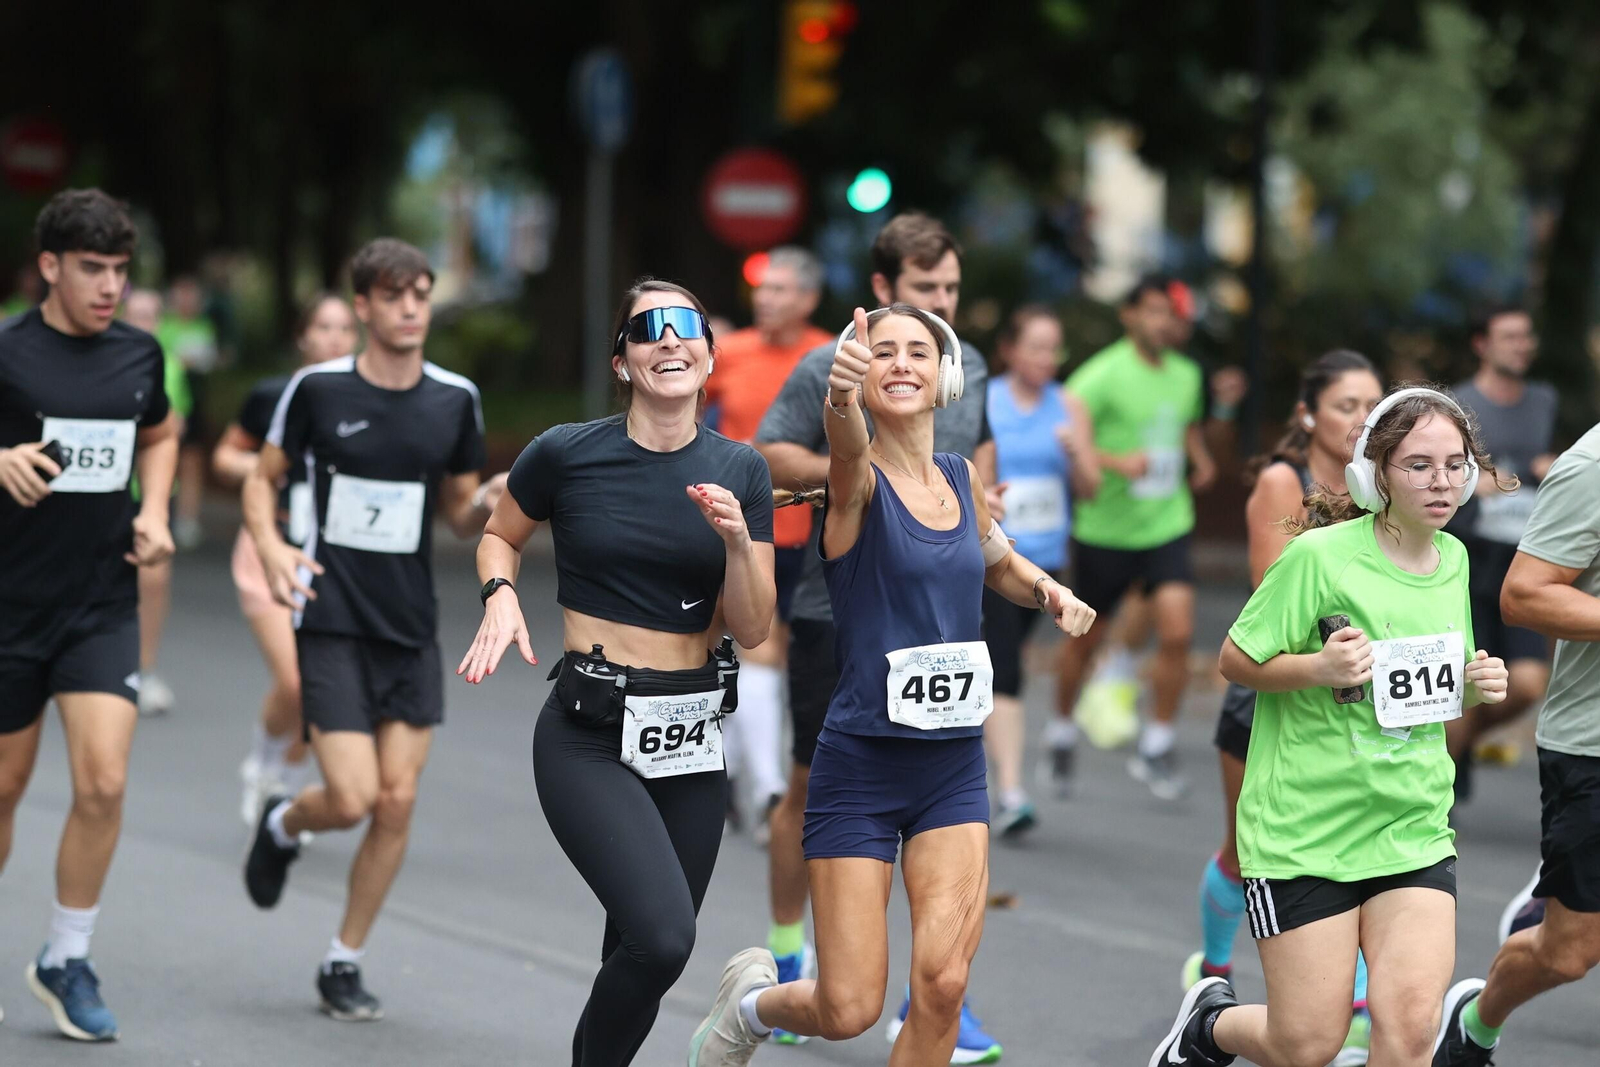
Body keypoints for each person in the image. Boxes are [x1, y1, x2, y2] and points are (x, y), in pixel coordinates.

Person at [688, 304, 1094, 1067]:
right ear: (863, 377)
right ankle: (747, 1008)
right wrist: (839, 398)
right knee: (847, 1006)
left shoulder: (961, 477)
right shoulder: (857, 486)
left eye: (918, 350)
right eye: (883, 353)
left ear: (944, 377)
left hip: (951, 767)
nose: (901, 363)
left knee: (942, 982)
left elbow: (993, 554)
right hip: (861, 769)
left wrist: (1048, 590)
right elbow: (844, 449)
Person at [459, 278, 775, 1067]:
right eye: (647, 330)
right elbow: (499, 536)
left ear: (708, 353)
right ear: (623, 360)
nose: (669, 340)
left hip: (692, 740)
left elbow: (755, 624)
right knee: (665, 937)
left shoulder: (743, 470)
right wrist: (500, 596)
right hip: (589, 735)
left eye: (686, 327)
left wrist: (738, 543)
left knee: (636, 951)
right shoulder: (567, 451)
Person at [1150, 385, 1512, 1067]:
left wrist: (1474, 679)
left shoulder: (1454, 559)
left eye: (1455, 463)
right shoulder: (1319, 558)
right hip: (1304, 831)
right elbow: (1235, 659)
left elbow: (1427, 677)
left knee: (1406, 1031)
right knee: (1307, 1041)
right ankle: (1206, 1029)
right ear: (1376, 473)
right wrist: (1319, 666)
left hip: (1410, 824)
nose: (1441, 480)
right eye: (1419, 464)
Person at [753, 212, 1005, 1060]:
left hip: (943, 656)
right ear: (883, 291)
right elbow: (777, 459)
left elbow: (985, 493)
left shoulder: (960, 373)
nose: (942, 305)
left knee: (941, 979)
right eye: (927, 290)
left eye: (952, 292)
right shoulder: (837, 367)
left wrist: (1021, 573)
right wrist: (865, 478)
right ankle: (788, 951)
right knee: (803, 787)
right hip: (843, 613)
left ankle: (936, 1004)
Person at [240, 239, 504, 1021]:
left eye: (422, 292)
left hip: (409, 625)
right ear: (362, 306)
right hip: (330, 616)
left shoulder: (454, 397)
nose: (412, 307)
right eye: (394, 295)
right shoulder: (317, 389)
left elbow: (458, 513)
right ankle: (285, 821)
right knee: (351, 797)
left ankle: (342, 959)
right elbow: (261, 480)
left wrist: (485, 497)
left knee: (396, 800)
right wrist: (273, 545)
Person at [0, 188, 178, 1040]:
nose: (109, 285)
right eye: (91, 269)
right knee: (4, 786)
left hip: (102, 602)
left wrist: (156, 509)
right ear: (49, 267)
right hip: (7, 605)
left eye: (119, 270)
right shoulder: (5, 350)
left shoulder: (139, 355)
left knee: (103, 779)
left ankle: (66, 956)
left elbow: (162, 433)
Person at [1180, 351, 1384, 1066]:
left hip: (1350, 697)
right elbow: (1272, 594)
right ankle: (1209, 973)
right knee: (1246, 851)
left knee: (1356, 848)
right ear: (1308, 414)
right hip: (1270, 690)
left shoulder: (1384, 486)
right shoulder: (1281, 480)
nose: (1362, 419)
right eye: (1346, 405)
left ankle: (1354, 1005)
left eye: (1372, 405)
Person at [1430, 420, 1600, 1066]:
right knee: (1568, 951)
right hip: (1593, 746)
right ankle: (1476, 1021)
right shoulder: (1591, 467)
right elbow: (1524, 594)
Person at [1048, 274, 1216, 801]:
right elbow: (1068, 446)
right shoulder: (1097, 378)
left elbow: (1186, 427)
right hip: (1106, 530)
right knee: (1085, 639)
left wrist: (1202, 458)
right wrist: (1121, 462)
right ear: (1129, 314)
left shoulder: (1187, 374)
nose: (1160, 321)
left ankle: (1157, 744)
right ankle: (1060, 728)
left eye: (1168, 312)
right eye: (1150, 311)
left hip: (1167, 522)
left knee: (1177, 633)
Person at [214, 293, 358, 824]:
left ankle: (288, 785)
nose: (335, 338)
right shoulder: (274, 394)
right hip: (271, 549)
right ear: (302, 336)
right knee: (297, 681)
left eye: (345, 328)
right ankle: (262, 763)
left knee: (323, 688)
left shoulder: (368, 400)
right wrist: (273, 461)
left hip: (336, 559)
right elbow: (225, 456)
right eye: (323, 326)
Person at [703, 247, 830, 841]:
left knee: (775, 657)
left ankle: (737, 777)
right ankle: (771, 788)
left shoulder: (832, 356)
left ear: (808, 299)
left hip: (812, 532)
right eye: (762, 289)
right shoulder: (731, 354)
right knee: (752, 649)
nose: (767, 299)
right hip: (735, 527)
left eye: (781, 290)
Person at [982, 304, 1098, 836]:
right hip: (1001, 554)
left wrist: (1076, 456)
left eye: (1055, 349)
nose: (1046, 358)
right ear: (1010, 349)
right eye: (1035, 347)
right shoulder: (986, 401)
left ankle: (981, 762)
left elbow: (1091, 489)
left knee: (1004, 665)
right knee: (1005, 666)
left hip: (1048, 560)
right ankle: (1010, 790)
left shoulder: (1068, 405)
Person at [1444, 304, 1557, 799]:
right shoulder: (1456, 404)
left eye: (1526, 336)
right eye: (1509, 336)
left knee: (1528, 684)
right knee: (1463, 686)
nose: (1522, 345)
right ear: (1481, 344)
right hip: (1469, 557)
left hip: (1525, 556)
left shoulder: (1544, 400)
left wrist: (1552, 467)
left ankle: (1460, 743)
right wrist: (1472, 484)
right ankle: (1435, 797)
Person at [122, 287, 193, 717]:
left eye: (151, 316)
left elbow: (174, 426)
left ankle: (144, 669)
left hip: (149, 491)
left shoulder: (168, 367)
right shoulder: (97, 359)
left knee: (153, 581)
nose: (143, 323)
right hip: (101, 493)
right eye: (136, 315)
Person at [158, 274, 221, 550]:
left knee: (192, 461)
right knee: (163, 456)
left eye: (191, 295)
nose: (186, 301)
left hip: (196, 400)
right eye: (181, 294)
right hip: (168, 400)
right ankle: (159, 511)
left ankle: (187, 519)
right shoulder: (164, 326)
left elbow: (209, 358)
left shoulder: (205, 326)